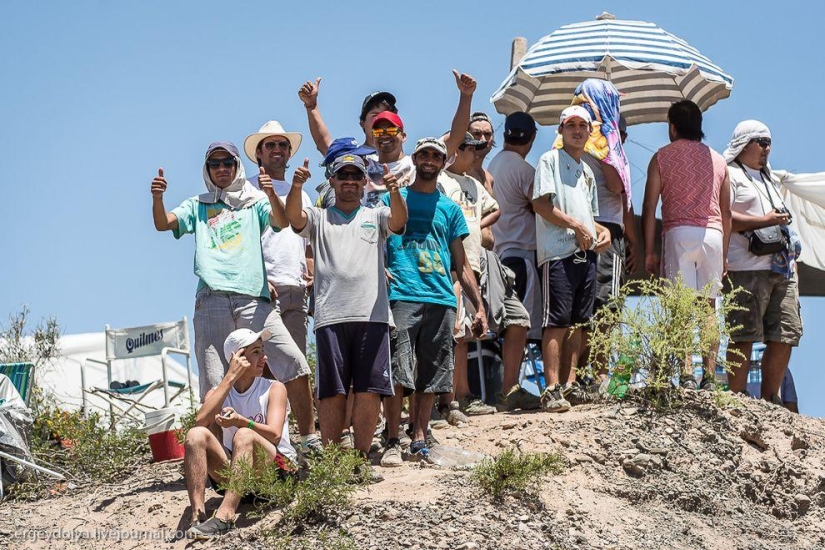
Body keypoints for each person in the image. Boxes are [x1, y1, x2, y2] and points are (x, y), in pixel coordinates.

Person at [150, 142, 321, 455]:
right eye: (215, 164)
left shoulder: (253, 201)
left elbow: (281, 222)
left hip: (252, 299)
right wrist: (158, 197)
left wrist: (271, 193)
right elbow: (164, 223)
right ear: (208, 170)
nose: (222, 168)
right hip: (211, 300)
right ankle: (220, 459)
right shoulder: (197, 204)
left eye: (227, 162)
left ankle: (310, 442)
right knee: (215, 384)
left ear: (237, 166)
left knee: (294, 363)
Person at [286, 154, 407, 457]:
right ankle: (332, 464)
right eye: (343, 176)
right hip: (330, 317)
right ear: (332, 181)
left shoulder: (376, 214)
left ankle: (362, 458)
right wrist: (297, 186)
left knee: (368, 389)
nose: (350, 182)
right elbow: (294, 218)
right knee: (331, 391)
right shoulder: (318, 217)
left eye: (356, 176)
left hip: (373, 315)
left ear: (365, 182)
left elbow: (399, 221)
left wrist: (393, 191)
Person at [380, 137, 487, 465]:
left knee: (432, 371)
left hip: (440, 296)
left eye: (435, 156)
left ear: (444, 163)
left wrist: (478, 306)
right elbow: (374, 244)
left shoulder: (450, 209)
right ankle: (392, 438)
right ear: (415, 159)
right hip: (402, 294)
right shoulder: (392, 198)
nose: (429, 160)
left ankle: (420, 436)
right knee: (399, 370)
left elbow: (462, 262)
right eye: (424, 154)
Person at [437, 132, 530, 417]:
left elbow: (497, 209)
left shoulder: (474, 184)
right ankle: (450, 401)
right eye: (471, 149)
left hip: (476, 264)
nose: (476, 153)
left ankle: (488, 395)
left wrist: (474, 224)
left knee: (504, 321)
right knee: (455, 334)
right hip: (451, 264)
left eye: (479, 148)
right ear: (456, 150)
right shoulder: (442, 180)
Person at [642, 100, 732, 390]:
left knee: (679, 307)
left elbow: (649, 206)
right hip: (713, 235)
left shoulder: (661, 157)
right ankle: (709, 375)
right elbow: (726, 211)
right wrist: (725, 255)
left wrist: (650, 250)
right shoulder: (719, 161)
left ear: (672, 126)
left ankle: (686, 373)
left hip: (678, 232)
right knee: (708, 308)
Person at [531, 107, 611, 412]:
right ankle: (551, 388)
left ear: (590, 132)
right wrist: (576, 226)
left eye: (582, 125)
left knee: (580, 323)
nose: (577, 130)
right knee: (556, 322)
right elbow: (540, 204)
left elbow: (589, 218)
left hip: (585, 255)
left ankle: (570, 383)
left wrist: (602, 233)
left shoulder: (588, 171)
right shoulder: (549, 160)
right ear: (561, 130)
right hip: (557, 252)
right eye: (571, 125)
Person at [184, 328, 297, 539]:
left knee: (243, 434)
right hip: (241, 481)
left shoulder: (274, 388)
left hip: (278, 474)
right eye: (255, 352)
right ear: (236, 359)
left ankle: (225, 516)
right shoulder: (218, 393)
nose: (263, 357)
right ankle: (197, 516)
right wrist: (229, 378)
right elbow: (201, 422)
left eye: (262, 351)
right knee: (195, 434)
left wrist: (241, 421)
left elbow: (274, 435)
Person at [721, 120, 802, 404]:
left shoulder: (769, 179)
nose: (767, 148)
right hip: (745, 267)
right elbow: (724, 218)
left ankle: (771, 399)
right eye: (761, 142)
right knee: (744, 334)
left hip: (782, 268)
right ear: (744, 143)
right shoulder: (729, 174)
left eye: (769, 142)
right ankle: (737, 398)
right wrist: (764, 220)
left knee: (785, 333)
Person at [569, 80, 635, 393]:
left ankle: (593, 372)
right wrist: (606, 141)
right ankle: (590, 373)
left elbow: (624, 199)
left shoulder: (596, 138)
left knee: (601, 304)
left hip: (602, 226)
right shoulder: (593, 138)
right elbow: (616, 186)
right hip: (596, 227)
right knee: (597, 305)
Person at [243, 121, 313, 357]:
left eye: (283, 145)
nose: (277, 149)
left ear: (289, 152)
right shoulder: (246, 189)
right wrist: (259, 279)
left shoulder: (302, 193)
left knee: (295, 368)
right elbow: (240, 242)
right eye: (270, 144)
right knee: (259, 366)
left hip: (296, 289)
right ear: (258, 153)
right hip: (262, 290)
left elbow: (307, 245)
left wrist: (312, 276)